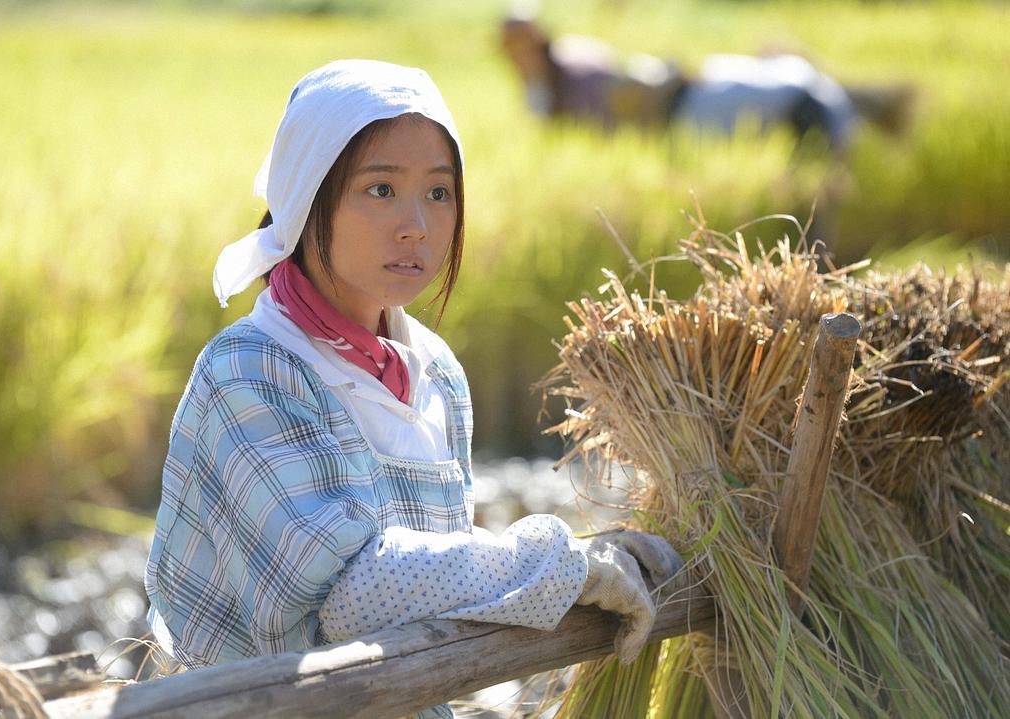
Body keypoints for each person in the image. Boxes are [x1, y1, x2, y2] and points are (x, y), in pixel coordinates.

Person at [143, 59, 683, 718]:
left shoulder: (437, 373)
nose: (416, 226)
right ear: (307, 196)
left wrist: (574, 568)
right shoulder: (252, 371)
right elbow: (350, 589)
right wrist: (560, 566)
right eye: (379, 190)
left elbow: (437, 601)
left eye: (438, 192)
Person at [501, 16, 913, 154]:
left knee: (779, 101)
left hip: (689, 102)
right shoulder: (542, 91)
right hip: (690, 105)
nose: (522, 57)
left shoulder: (576, 65)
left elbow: (628, 86)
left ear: (539, 42)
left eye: (526, 46)